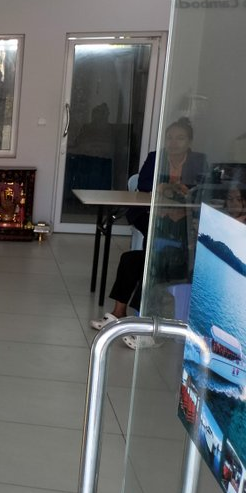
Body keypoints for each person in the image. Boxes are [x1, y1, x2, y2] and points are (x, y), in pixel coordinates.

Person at [90, 117, 208, 347]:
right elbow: (144, 185)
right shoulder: (156, 157)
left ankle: (139, 321)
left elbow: (203, 189)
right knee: (137, 258)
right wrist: (164, 187)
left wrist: (186, 191)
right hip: (156, 218)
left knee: (147, 262)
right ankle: (119, 313)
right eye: (170, 138)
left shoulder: (198, 161)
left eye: (180, 138)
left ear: (189, 141)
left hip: (183, 226)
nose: (174, 143)